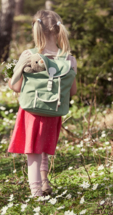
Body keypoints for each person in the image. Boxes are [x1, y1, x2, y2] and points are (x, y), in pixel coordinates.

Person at [7, 10, 77, 197]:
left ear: (36, 29)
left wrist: (12, 75)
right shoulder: (69, 59)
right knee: (44, 147)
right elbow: (73, 91)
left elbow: (16, 86)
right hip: (54, 110)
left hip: (31, 111)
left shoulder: (29, 55)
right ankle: (44, 182)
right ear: (58, 29)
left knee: (33, 152)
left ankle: (36, 193)